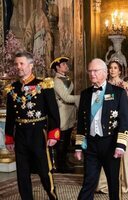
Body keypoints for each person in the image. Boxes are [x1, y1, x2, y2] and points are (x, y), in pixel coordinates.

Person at [4, 51, 60, 200]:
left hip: (37, 134)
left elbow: (53, 112)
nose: (18, 67)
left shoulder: (43, 85)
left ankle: (52, 196)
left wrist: (53, 133)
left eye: (21, 63)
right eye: (16, 64)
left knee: (44, 170)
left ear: (31, 65)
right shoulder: (12, 88)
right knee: (22, 172)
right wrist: (9, 137)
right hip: (20, 135)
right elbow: (10, 116)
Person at [74, 58, 128, 200]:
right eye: (90, 71)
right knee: (89, 182)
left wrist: (121, 145)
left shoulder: (118, 93)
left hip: (110, 144)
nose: (92, 74)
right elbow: (81, 122)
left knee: (113, 183)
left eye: (95, 71)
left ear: (105, 73)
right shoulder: (85, 94)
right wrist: (79, 147)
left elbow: (124, 122)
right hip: (91, 145)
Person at [97, 59, 128, 194]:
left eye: (115, 68)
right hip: (107, 124)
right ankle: (104, 180)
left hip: (121, 123)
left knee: (120, 148)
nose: (112, 70)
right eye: (110, 68)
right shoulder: (105, 85)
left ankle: (125, 178)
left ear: (120, 71)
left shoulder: (125, 85)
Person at [50, 56, 80, 173]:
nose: (66, 66)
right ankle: (60, 164)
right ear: (57, 67)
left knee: (67, 139)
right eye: (63, 65)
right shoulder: (56, 81)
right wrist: (81, 98)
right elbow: (66, 97)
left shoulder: (66, 78)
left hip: (69, 111)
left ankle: (64, 160)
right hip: (62, 112)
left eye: (66, 64)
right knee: (61, 140)